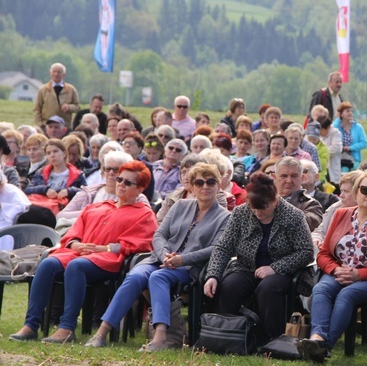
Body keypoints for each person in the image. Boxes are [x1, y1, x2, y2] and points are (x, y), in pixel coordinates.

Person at [85, 163, 231, 350]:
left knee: (158, 277)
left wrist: (182, 259)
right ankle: (101, 333)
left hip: (190, 267)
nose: (205, 187)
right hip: (160, 259)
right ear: (192, 187)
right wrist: (165, 256)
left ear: (218, 185)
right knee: (135, 276)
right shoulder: (180, 206)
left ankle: (160, 338)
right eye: (199, 182)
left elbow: (216, 248)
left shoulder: (225, 217)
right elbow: (159, 235)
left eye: (211, 182)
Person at [8, 161, 157, 343]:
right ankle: (31, 325)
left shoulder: (144, 213)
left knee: (76, 266)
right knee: (47, 263)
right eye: (119, 179)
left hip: (109, 259)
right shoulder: (97, 207)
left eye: (128, 182)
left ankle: (67, 328)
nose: (121, 184)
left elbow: (142, 243)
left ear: (140, 188)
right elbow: (72, 233)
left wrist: (106, 248)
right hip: (79, 253)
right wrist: (75, 244)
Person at [298, 170, 367, 362]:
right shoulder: (341, 214)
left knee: (347, 294)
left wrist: (359, 274)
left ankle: (323, 347)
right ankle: (317, 337)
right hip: (339, 271)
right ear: (357, 192)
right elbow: (324, 254)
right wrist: (334, 269)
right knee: (321, 289)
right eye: (365, 190)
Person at [204, 172, 313, 346]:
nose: (257, 213)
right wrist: (213, 275)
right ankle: (227, 336)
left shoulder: (294, 216)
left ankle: (270, 340)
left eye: (263, 209)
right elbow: (223, 246)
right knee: (229, 286)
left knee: (268, 289)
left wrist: (276, 268)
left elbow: (306, 251)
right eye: (253, 208)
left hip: (281, 271)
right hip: (246, 266)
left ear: (275, 201)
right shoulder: (241, 213)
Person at [24, 138, 86, 203]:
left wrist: (69, 191)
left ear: (64, 153)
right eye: (48, 153)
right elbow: (28, 189)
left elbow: (87, 192)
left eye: (55, 151)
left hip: (66, 207)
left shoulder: (78, 175)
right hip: (43, 207)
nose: (52, 155)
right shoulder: (41, 172)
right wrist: (45, 189)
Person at [312, 170, 362, 249]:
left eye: (346, 191)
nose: (341, 195)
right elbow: (320, 231)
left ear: (359, 192)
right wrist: (316, 238)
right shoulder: (334, 208)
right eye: (341, 190)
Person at [273, 157, 323, 232]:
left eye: (294, 176)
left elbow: (309, 224)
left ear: (302, 178)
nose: (289, 180)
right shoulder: (262, 200)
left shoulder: (311, 204)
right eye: (284, 176)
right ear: (274, 177)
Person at [33, 63, 80, 128]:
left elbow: (77, 107)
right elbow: (37, 109)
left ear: (64, 75)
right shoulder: (42, 90)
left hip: (65, 127)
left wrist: (69, 107)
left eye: (59, 72)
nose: (56, 74)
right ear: (50, 73)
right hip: (47, 126)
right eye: (54, 71)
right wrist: (40, 124)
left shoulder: (71, 89)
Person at [333, 102, 367, 173]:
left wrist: (350, 148)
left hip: (354, 158)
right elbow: (332, 129)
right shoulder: (337, 127)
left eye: (351, 111)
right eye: (347, 111)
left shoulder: (358, 127)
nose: (350, 113)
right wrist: (338, 119)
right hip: (339, 158)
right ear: (341, 114)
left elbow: (364, 143)